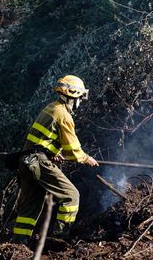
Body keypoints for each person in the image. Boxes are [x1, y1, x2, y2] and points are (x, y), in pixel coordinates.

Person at [12, 75, 99, 242]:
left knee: (30, 206)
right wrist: (86, 158)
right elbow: (73, 149)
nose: (80, 101)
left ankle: (18, 243)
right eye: (80, 97)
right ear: (74, 96)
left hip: (25, 161)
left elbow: (40, 140)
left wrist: (52, 153)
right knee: (71, 196)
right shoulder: (64, 115)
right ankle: (59, 238)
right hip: (37, 162)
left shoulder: (50, 108)